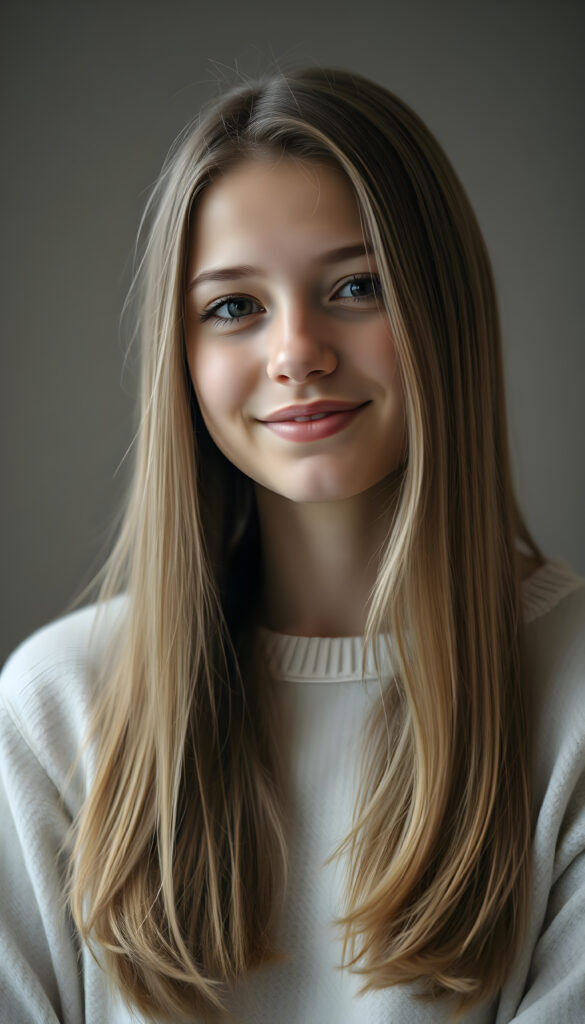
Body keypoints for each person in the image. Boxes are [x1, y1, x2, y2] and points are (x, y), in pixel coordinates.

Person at [0, 66, 584, 1024]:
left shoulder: (572, 689)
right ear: (179, 359)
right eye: (234, 307)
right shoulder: (56, 714)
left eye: (356, 286)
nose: (296, 352)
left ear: (445, 312)